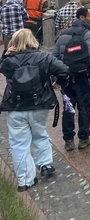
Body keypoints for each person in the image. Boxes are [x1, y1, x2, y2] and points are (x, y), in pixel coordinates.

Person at [0, 29, 70, 191]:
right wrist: (58, 83)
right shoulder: (43, 57)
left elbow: (1, 68)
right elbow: (64, 70)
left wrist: (5, 55)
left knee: (19, 143)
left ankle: (25, 180)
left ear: (14, 43)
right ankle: (45, 164)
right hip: (39, 103)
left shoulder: (9, 61)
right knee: (40, 133)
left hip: (16, 106)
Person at [52, 7, 90, 151]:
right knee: (84, 107)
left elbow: (55, 57)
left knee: (68, 108)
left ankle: (69, 141)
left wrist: (62, 72)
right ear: (82, 17)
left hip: (66, 78)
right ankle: (84, 138)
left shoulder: (63, 34)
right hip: (83, 77)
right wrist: (87, 68)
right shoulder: (86, 33)